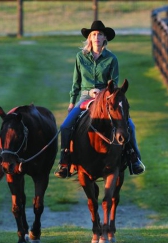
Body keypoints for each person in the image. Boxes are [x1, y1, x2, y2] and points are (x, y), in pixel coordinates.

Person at [54, 20, 145, 178]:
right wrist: (72, 103)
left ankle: (134, 158)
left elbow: (114, 84)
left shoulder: (112, 59)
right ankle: (65, 162)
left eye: (100, 34)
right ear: (89, 38)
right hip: (85, 97)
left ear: (104, 39)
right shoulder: (80, 57)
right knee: (65, 126)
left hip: (106, 98)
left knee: (130, 125)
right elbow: (76, 83)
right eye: (94, 34)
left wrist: (102, 94)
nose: (97, 37)